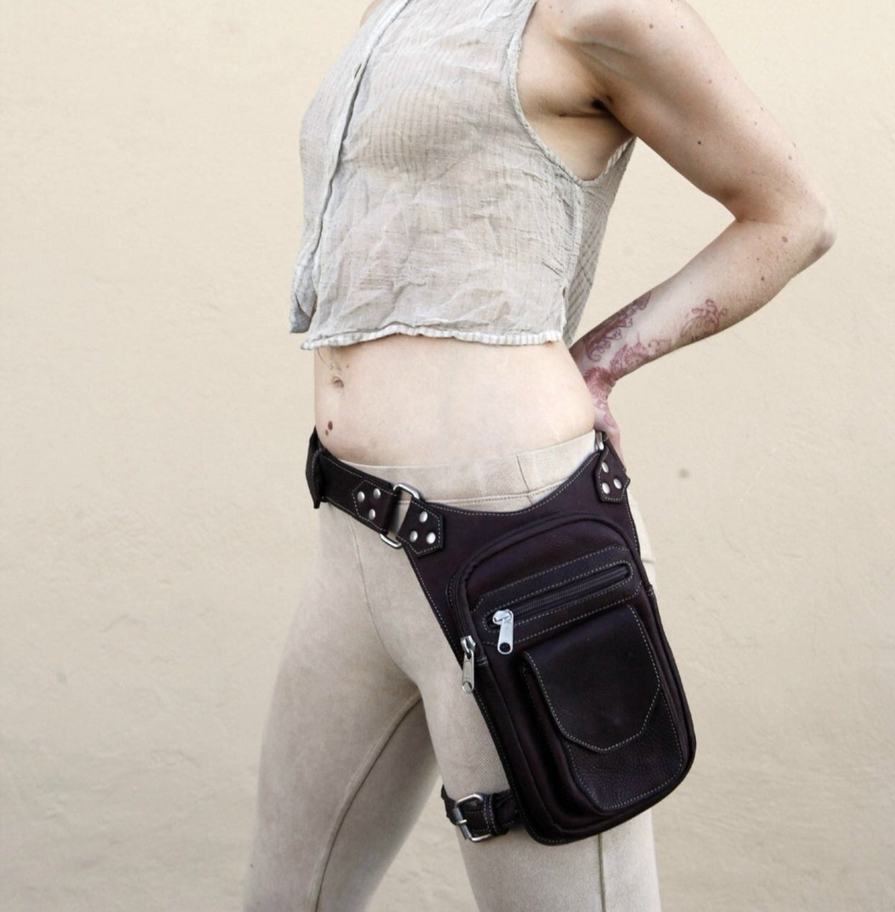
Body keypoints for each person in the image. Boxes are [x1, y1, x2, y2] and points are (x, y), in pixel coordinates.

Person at [242, 0, 836, 909]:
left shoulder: (600, 13)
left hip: (513, 535)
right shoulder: (396, 10)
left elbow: (792, 217)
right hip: (355, 530)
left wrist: (602, 360)